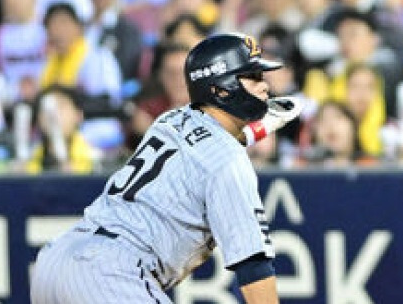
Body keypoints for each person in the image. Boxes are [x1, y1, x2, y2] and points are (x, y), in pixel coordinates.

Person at [31, 32, 303, 303]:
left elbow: (210, 139)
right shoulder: (229, 161)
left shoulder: (170, 119)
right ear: (221, 88)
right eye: (253, 76)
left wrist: (255, 128)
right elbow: (253, 265)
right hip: (111, 274)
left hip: (56, 262)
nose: (265, 86)